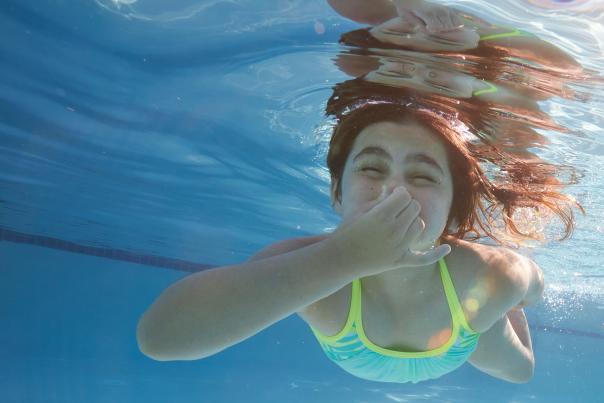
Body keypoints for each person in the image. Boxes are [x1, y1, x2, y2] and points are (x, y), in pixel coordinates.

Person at [135, 0, 582, 385]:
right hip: (356, 344)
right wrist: (344, 258)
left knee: (521, 372)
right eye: (371, 167)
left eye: (424, 176)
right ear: (336, 193)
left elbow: (532, 290)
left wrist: (506, 300)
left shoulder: (491, 276)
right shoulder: (310, 271)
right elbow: (161, 339)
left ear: (453, 215)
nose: (393, 189)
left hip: (460, 332)